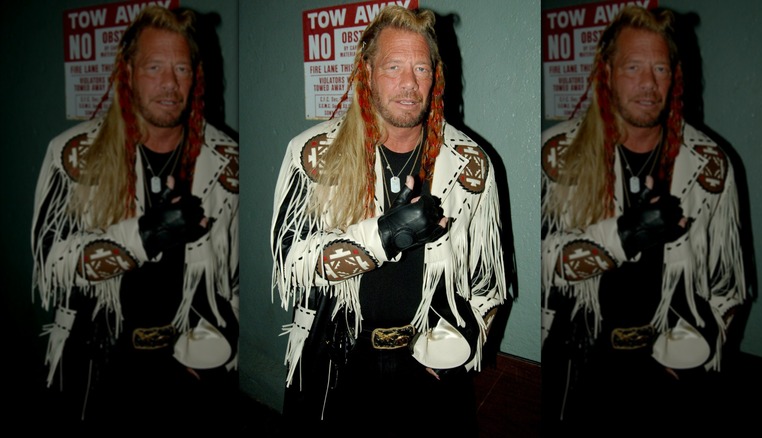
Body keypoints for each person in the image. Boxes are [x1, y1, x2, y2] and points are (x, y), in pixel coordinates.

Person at [271, 5, 507, 436]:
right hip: (334, 363)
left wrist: (463, 347)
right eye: (393, 66)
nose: (408, 83)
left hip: (428, 368)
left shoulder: (470, 163)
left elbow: (489, 283)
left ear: (435, 75)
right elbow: (290, 263)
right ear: (367, 72)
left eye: (421, 67)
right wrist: (385, 235)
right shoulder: (313, 154)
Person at [31, 6, 239, 432]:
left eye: (181, 67)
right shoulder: (74, 154)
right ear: (127, 72)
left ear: (195, 75)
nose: (169, 83)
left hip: (192, 371)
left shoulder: (227, 158)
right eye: (154, 67)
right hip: (94, 367)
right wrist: (143, 236)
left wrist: (225, 351)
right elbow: (49, 267)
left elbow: (238, 278)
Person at [540, 5, 746, 435]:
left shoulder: (709, 165)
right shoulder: (557, 153)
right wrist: (624, 235)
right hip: (578, 370)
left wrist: (704, 358)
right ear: (608, 72)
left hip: (671, 372)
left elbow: (730, 288)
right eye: (633, 67)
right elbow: (535, 263)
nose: (649, 84)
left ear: (675, 76)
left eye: (660, 68)